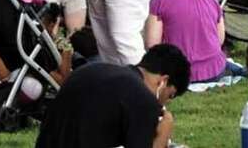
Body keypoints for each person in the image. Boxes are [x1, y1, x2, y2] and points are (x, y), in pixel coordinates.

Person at [34, 44, 189, 148]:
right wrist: (163, 134)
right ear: (163, 81)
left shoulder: (93, 69)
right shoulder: (143, 100)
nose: (166, 102)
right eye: (170, 95)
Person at [146, 0, 228, 83]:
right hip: (214, 69)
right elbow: (219, 39)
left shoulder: (160, 2)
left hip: (176, 74)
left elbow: (152, 45)